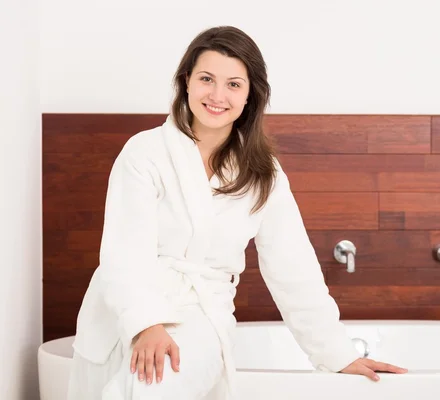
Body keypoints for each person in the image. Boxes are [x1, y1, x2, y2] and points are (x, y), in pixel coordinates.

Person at [66, 25, 408, 400]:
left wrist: (337, 354)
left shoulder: (264, 173)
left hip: (200, 314)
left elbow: (292, 268)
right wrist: (146, 323)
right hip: (122, 311)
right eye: (206, 79)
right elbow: (124, 253)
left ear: (250, 95)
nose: (217, 95)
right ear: (186, 82)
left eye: (233, 84)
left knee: (155, 385)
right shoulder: (144, 153)